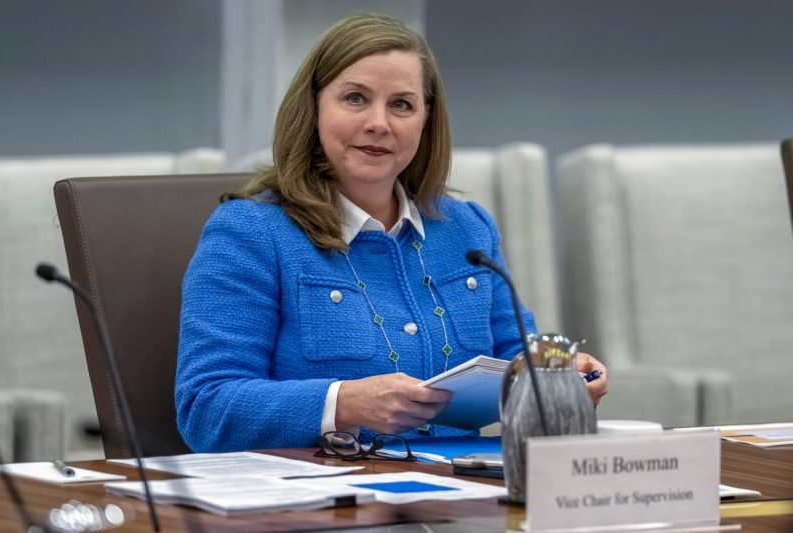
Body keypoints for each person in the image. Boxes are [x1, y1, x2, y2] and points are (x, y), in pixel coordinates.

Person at [175, 13, 608, 452]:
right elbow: (206, 407)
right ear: (314, 107)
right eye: (355, 98)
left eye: (401, 105)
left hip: (463, 485)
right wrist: (344, 403)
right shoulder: (250, 231)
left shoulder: (467, 228)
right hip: (327, 487)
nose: (379, 123)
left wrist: (558, 371)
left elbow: (518, 353)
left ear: (425, 120)